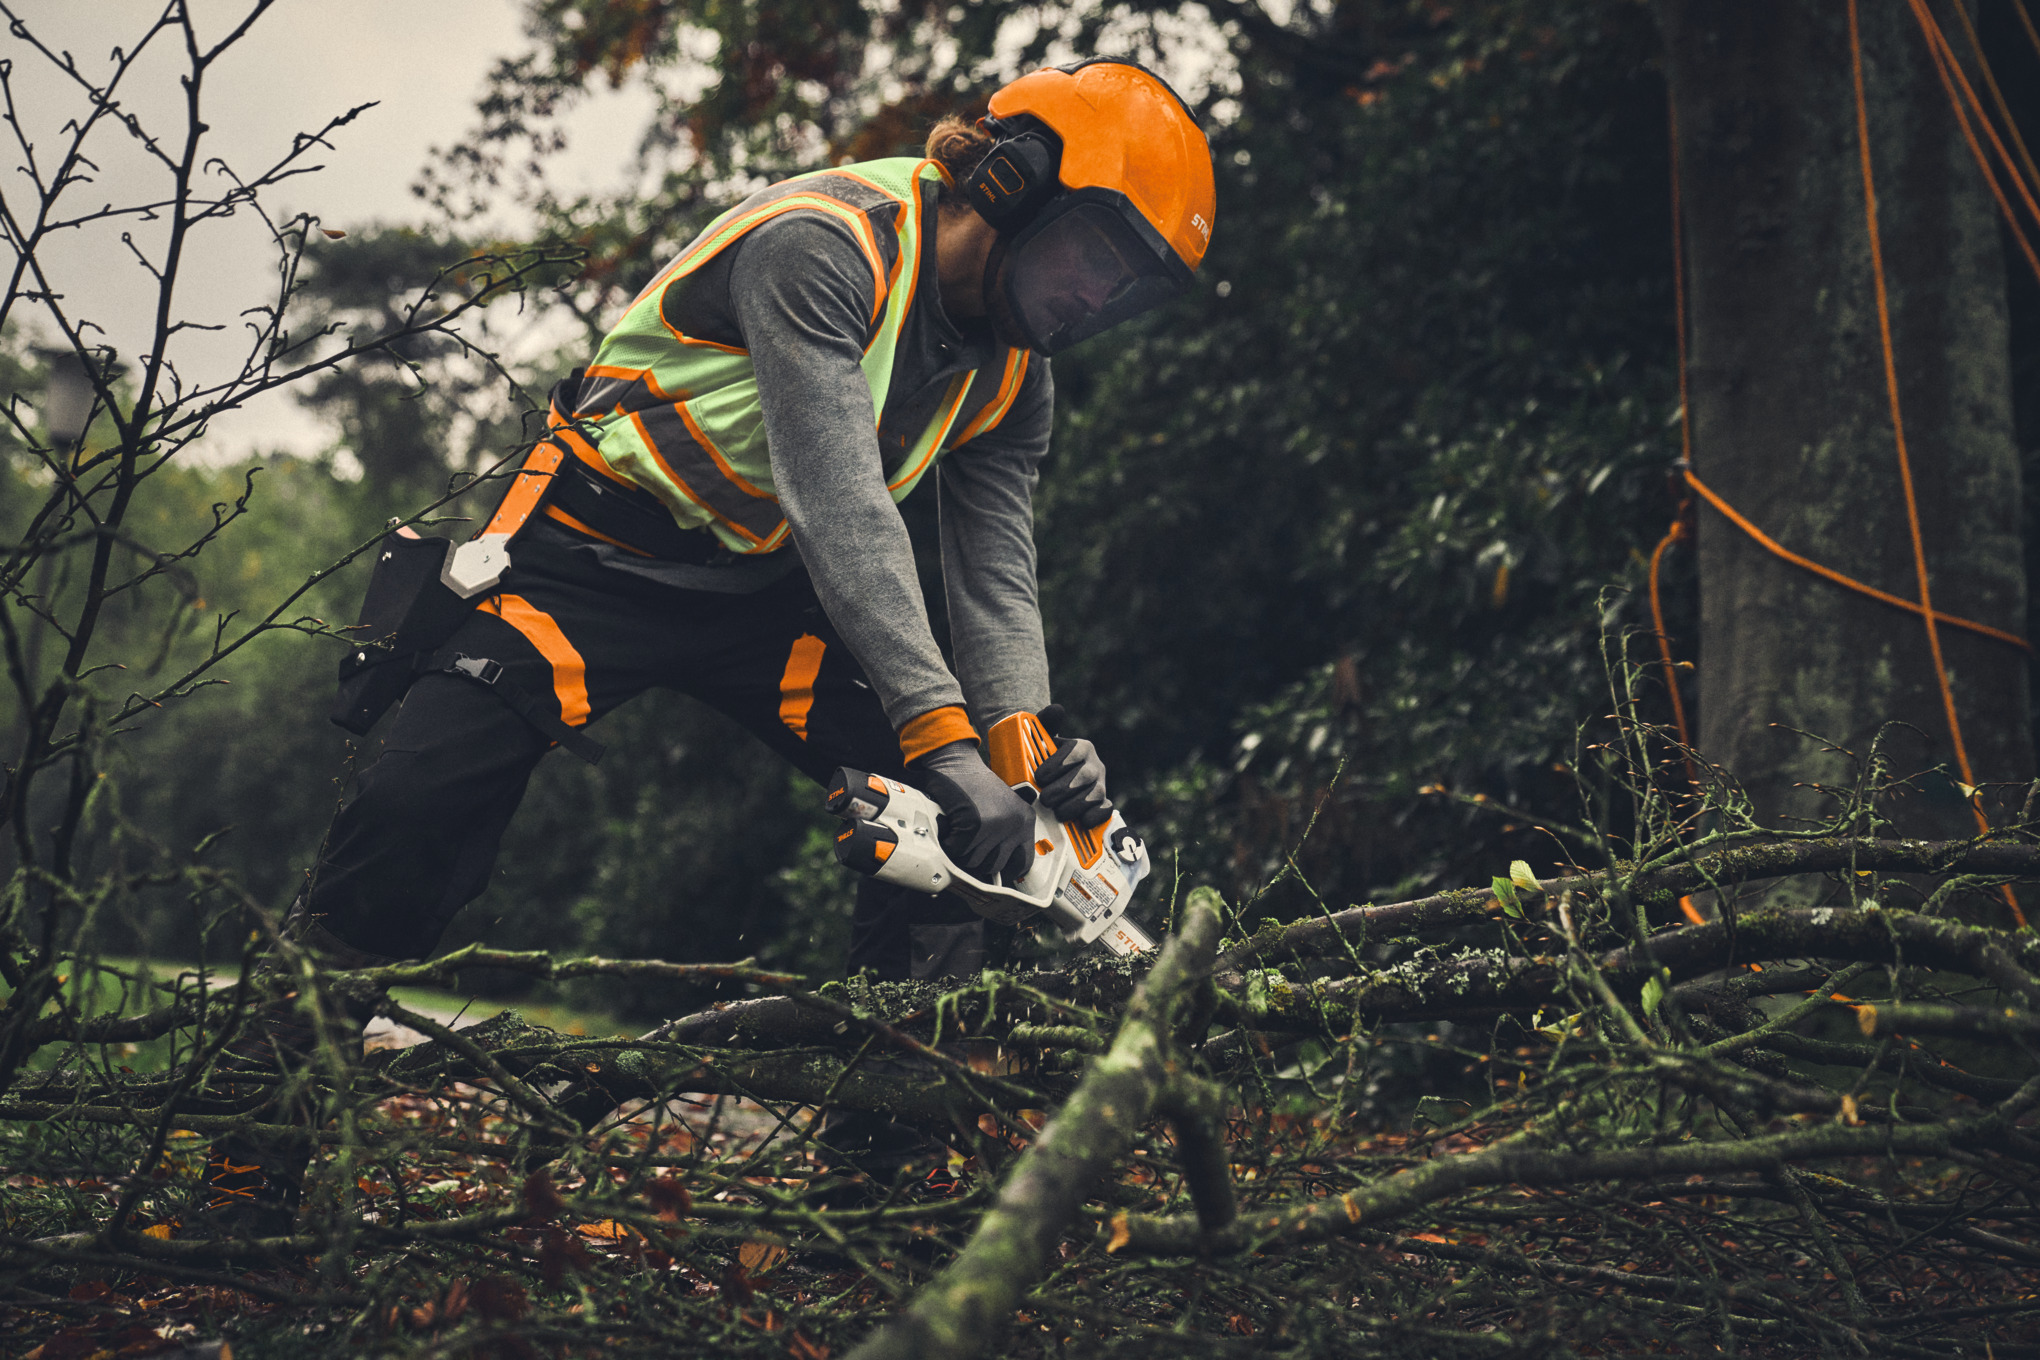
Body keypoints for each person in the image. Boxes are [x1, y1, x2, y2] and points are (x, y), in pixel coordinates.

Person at [195, 56, 1216, 1234]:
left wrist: (1018, 747)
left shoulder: (1011, 379)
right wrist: (945, 731)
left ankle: (876, 1185)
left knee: (949, 843)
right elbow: (843, 498)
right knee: (415, 805)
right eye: (1095, 256)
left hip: (765, 587)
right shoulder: (825, 248)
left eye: (1125, 285)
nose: (1094, 299)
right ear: (1013, 183)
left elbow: (993, 566)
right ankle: (253, 1145)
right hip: (592, 546)